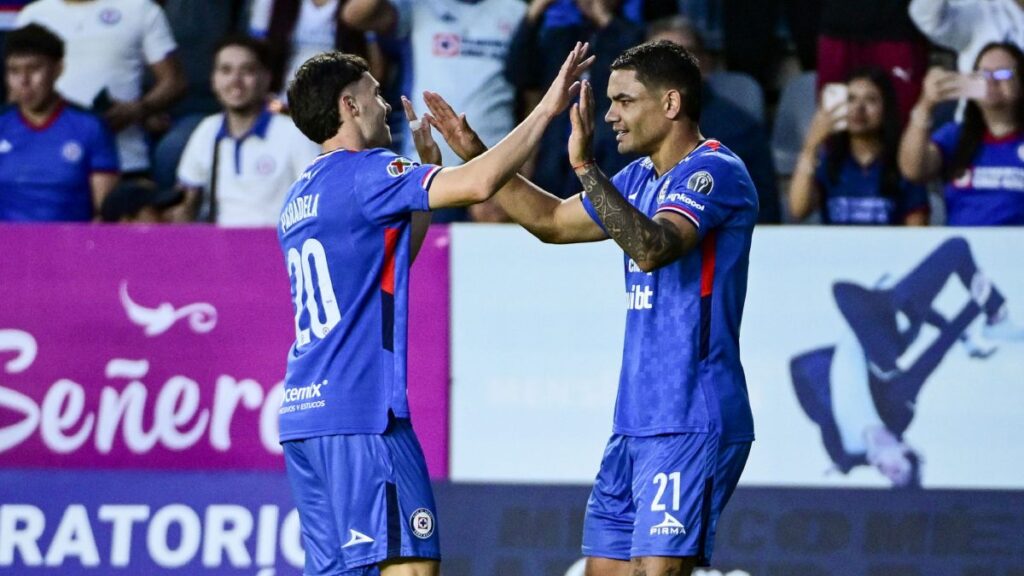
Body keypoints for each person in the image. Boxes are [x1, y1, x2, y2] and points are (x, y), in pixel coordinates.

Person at [423, 40, 755, 575]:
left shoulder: (714, 172)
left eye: (624, 100)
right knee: (605, 570)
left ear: (670, 104)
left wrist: (584, 165)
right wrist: (477, 155)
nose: (610, 115)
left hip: (692, 413)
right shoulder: (641, 177)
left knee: (659, 570)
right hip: (635, 419)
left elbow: (651, 248)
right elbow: (552, 221)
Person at [276, 44, 592, 575]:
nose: (383, 107)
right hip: (364, 414)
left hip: (306, 419)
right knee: (410, 563)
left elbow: (390, 260)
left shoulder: (299, 196)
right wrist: (547, 109)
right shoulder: (369, 170)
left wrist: (423, 176)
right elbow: (480, 184)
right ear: (349, 106)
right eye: (374, 96)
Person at [790, 237, 1024, 487]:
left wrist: (843, 465)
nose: (887, 472)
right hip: (887, 331)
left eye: (889, 477)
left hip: (859, 323)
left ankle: (991, 316)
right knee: (957, 248)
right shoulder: (898, 413)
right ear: (905, 450)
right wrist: (972, 308)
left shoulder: (846, 452)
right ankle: (996, 316)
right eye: (897, 471)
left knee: (882, 330)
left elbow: (824, 419)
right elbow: (928, 362)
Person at [342, 0, 526, 223]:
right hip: (429, 172)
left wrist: (521, 170)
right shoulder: (420, 6)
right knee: (425, 256)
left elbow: (531, 92)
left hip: (497, 170)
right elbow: (355, 15)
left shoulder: (516, 10)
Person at [16, 0, 187, 178]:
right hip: (46, 162)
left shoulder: (140, 8)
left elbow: (174, 82)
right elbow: (16, 87)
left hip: (123, 160)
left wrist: (139, 108)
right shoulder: (33, 14)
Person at [646, 15, 782, 223]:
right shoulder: (616, 127)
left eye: (684, 54)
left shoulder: (741, 130)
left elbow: (763, 213)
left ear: (705, 64)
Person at [173, 36, 320, 226]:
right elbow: (188, 202)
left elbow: (318, 203)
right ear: (214, 79)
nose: (235, 80)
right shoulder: (207, 130)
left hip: (279, 247)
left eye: (247, 70)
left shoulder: (294, 134)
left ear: (266, 78)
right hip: (219, 249)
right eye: (226, 70)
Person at [0, 23, 118, 221]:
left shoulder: (89, 127)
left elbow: (103, 214)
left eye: (34, 69)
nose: (24, 81)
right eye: (14, 71)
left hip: (71, 248)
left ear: (58, 69)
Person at [898, 42, 1024, 226]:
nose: (991, 81)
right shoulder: (955, 135)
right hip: (965, 250)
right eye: (983, 74)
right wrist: (927, 103)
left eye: (1003, 73)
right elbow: (913, 170)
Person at [790, 67, 930, 225]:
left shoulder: (905, 165)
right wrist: (812, 145)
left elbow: (916, 231)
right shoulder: (829, 164)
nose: (859, 108)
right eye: (850, 99)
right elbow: (798, 209)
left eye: (871, 100)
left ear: (886, 109)